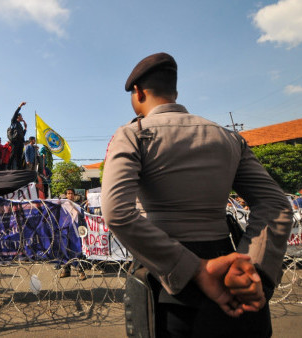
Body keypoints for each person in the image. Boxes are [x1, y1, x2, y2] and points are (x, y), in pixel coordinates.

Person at [101, 52, 293, 337]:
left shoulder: (133, 134)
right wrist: (251, 269)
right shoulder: (228, 137)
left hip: (167, 282)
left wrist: (196, 269)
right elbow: (276, 205)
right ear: (175, 91)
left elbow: (117, 211)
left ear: (138, 93)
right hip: (230, 267)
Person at [59, 188, 87, 281]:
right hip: (65, 231)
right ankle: (66, 270)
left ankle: (81, 271)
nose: (70, 195)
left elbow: (82, 217)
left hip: (75, 232)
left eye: (72, 193)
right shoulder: (62, 206)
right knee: (65, 250)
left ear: (74, 195)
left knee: (77, 250)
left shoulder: (78, 206)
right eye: (68, 193)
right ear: (66, 195)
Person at [8, 101, 27, 170]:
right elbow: (15, 113)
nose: (22, 118)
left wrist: (25, 128)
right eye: (21, 116)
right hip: (15, 141)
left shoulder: (20, 125)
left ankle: (20, 169)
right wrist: (20, 106)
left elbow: (23, 135)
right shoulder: (14, 122)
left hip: (20, 142)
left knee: (19, 155)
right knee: (13, 154)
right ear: (18, 117)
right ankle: (8, 167)